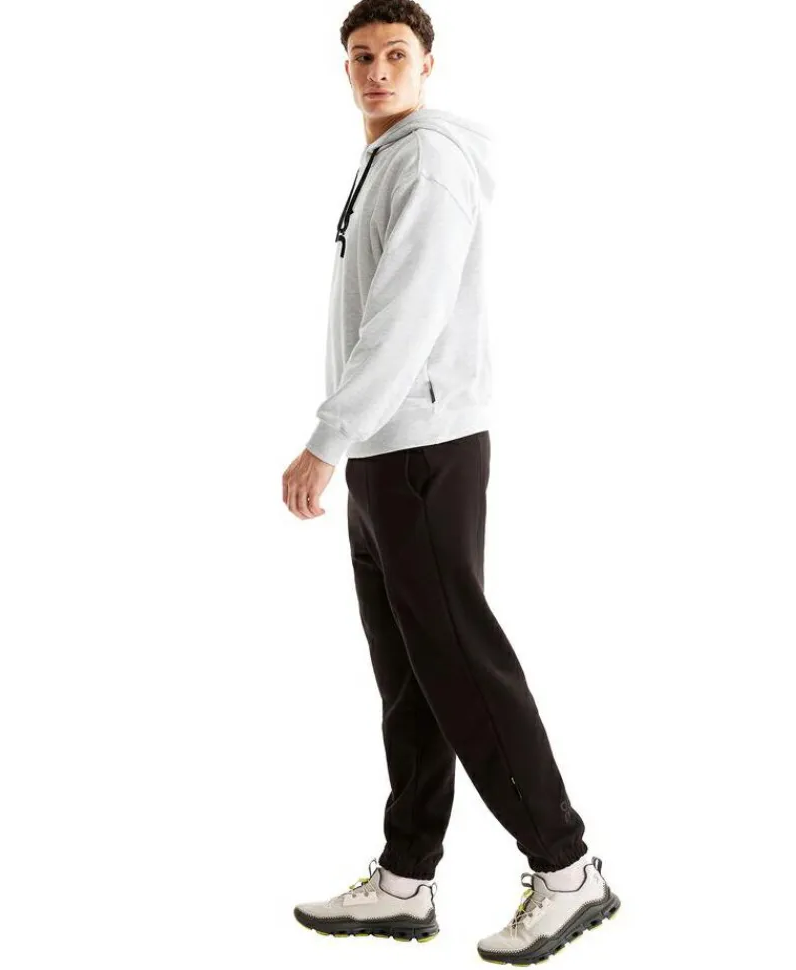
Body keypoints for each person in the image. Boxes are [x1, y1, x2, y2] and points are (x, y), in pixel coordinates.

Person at [282, 2, 620, 963]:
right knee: (412, 675)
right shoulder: (385, 159)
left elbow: (407, 314)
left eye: (396, 54)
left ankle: (567, 870)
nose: (377, 71)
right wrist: (352, 442)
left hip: (419, 448)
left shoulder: (428, 160)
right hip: (389, 450)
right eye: (361, 57)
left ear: (429, 63)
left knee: (462, 662)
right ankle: (406, 880)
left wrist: (327, 439)